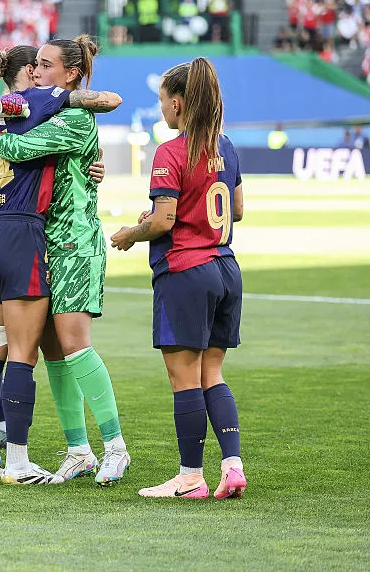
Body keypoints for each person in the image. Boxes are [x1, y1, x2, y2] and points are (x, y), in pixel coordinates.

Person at [0, 46, 123, 482]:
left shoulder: (29, 114)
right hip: (27, 237)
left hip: (36, 236)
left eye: (45, 64)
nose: (37, 71)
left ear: (68, 73)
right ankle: (28, 459)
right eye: (34, 65)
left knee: (31, 347)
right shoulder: (27, 111)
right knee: (28, 353)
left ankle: (106, 446)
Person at [111, 58, 247, 499]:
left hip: (187, 272)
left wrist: (134, 232)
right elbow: (238, 210)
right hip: (226, 268)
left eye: (161, 103)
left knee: (183, 377)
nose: (161, 112)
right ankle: (232, 466)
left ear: (177, 102)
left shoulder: (171, 152)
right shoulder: (226, 146)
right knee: (214, 372)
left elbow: (166, 220)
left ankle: (190, 477)